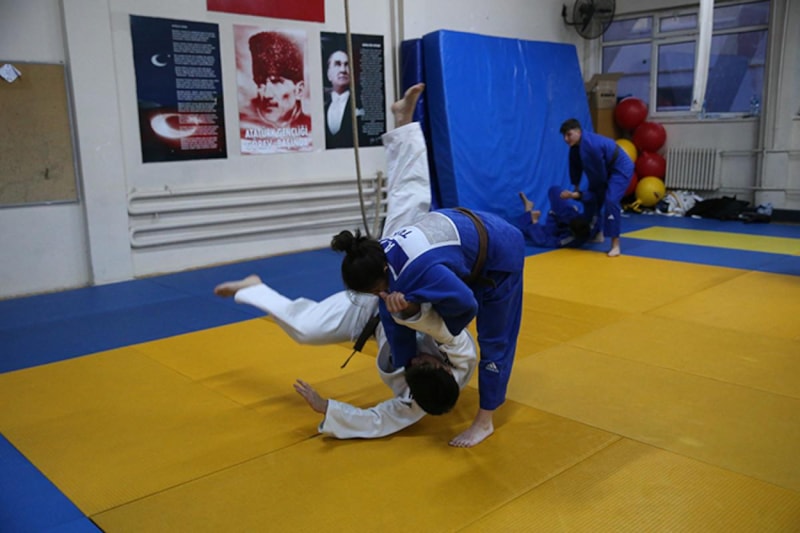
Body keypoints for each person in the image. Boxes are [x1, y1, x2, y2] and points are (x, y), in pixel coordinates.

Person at [215, 84, 478, 440]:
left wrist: (329, 408)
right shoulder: (462, 359)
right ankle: (404, 121)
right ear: (446, 371)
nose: (416, 360)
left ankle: (254, 288)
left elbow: (380, 419)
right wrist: (410, 311)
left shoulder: (415, 397)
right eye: (424, 362)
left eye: (413, 367)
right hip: (406, 294)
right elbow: (451, 328)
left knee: (305, 330)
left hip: (373, 318)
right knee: (408, 207)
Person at [330, 183, 526, 448]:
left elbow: (466, 305)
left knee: (495, 340)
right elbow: (391, 316)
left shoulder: (419, 272)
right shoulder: (377, 257)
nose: (379, 294)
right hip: (464, 233)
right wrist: (408, 365)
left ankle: (485, 422)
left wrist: (443, 330)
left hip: (500, 252)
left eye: (376, 290)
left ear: (384, 273)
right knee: (397, 305)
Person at [560, 118, 634, 257]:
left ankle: (615, 245)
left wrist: (593, 194)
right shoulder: (575, 148)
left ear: (578, 132)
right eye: (564, 136)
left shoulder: (591, 146)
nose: (566, 139)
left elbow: (599, 176)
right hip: (605, 169)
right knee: (592, 200)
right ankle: (597, 233)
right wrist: (576, 189)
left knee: (610, 200)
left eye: (569, 135)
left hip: (620, 168)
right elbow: (575, 168)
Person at [247, 31, 311, 131]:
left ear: (299, 91)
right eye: (260, 83)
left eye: (276, 82)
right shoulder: (246, 126)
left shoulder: (312, 129)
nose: (267, 95)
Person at [516, 186, 599, 248]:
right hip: (570, 216)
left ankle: (528, 209)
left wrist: (535, 222)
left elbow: (544, 241)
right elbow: (592, 199)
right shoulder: (590, 218)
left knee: (526, 232)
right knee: (554, 191)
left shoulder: (571, 239)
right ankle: (530, 215)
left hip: (557, 226)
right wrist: (573, 195)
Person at [323, 49, 362, 149]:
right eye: (337, 64)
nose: (343, 70)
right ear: (329, 74)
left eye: (347, 65)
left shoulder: (361, 104)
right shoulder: (323, 109)